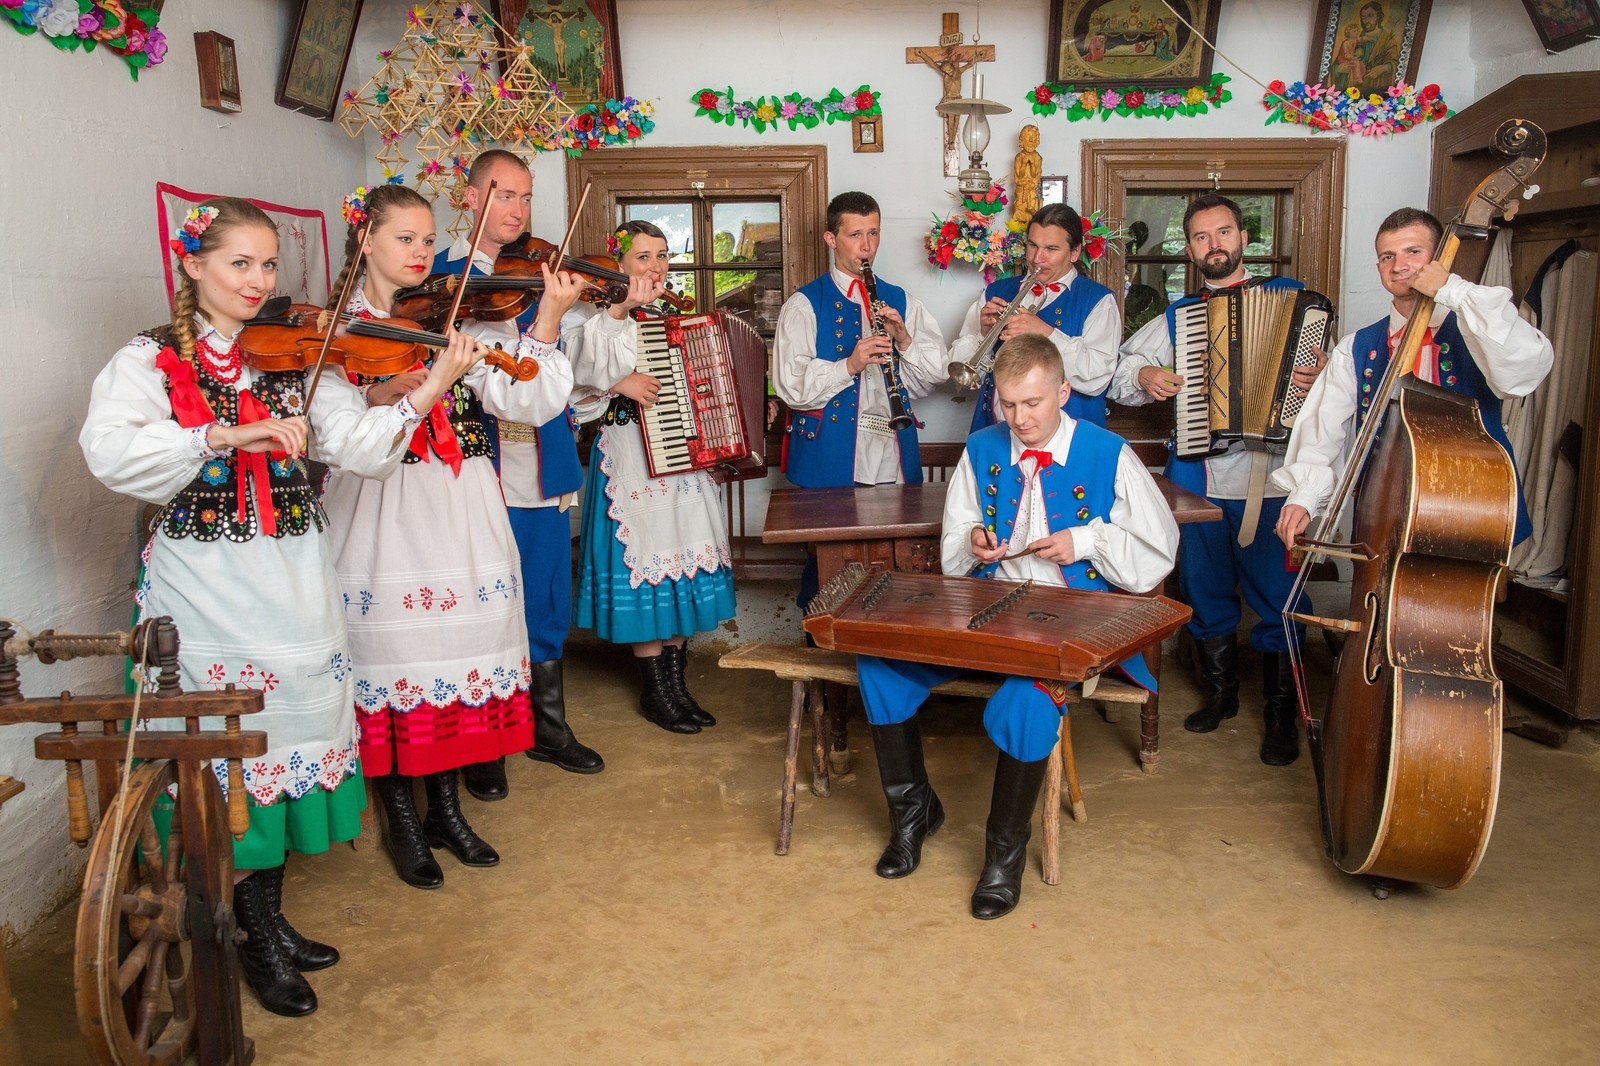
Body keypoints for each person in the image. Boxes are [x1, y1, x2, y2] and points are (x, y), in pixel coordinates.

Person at [80, 196, 471, 1016]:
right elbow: (110, 452)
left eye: (267, 264)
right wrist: (219, 437)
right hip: (208, 585)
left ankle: (267, 918)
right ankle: (250, 937)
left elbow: (359, 449)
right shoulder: (150, 360)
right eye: (239, 263)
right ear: (194, 265)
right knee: (228, 748)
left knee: (286, 737)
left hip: (294, 573)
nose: (258, 281)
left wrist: (430, 384)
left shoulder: (294, 358)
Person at [855, 335, 1177, 920]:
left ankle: (1003, 855)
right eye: (1008, 404)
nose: (1020, 418)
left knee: (1027, 702)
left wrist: (1085, 541)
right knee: (879, 664)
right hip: (987, 613)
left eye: (1032, 403)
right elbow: (958, 534)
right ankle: (914, 813)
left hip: (1069, 623)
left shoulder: (1108, 452)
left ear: (1063, 392)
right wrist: (975, 540)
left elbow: (1160, 549)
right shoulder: (983, 448)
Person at [320, 182, 586, 890]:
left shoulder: (456, 316)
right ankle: (402, 820)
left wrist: (547, 319)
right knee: (395, 659)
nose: (420, 252)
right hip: (385, 514)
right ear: (365, 240)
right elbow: (342, 442)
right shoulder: (335, 334)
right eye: (404, 238)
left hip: (462, 504)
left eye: (427, 238)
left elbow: (528, 395)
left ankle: (444, 810)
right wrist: (413, 386)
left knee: (452, 656)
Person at [1109, 193, 1326, 766]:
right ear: (1189, 248)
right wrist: (1146, 373)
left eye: (1223, 232)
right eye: (1201, 237)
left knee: (1278, 596)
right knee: (1204, 586)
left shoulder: (1295, 302)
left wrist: (1322, 375)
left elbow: (1336, 387)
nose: (1214, 245)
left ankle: (1280, 714)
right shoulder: (1179, 316)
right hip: (1198, 474)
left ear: (1243, 238)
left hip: (1274, 477)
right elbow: (1119, 372)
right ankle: (1222, 694)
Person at [434, 150, 603, 801]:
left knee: (545, 599)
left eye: (526, 197)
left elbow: (568, 379)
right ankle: (485, 742)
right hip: (477, 467)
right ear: (471, 197)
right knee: (482, 606)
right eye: (504, 194)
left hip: (543, 461)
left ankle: (547, 727)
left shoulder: (540, 275)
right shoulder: (438, 279)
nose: (518, 210)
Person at [1273, 207, 1553, 553]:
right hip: (1382, 512)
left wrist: (1452, 290)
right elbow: (1324, 428)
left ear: (1439, 258)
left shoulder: (1479, 329)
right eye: (1387, 256)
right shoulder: (1355, 348)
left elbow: (1526, 368)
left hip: (1475, 507)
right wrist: (1304, 496)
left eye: (1413, 252)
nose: (1398, 265)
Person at [569, 221, 736, 733]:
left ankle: (677, 684)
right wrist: (618, 380)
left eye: (662, 255)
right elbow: (572, 384)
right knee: (645, 567)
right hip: (628, 459)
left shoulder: (673, 318)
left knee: (685, 565)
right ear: (617, 264)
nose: (656, 266)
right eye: (643, 257)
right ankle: (655, 691)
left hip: (682, 461)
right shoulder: (591, 315)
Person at [773, 190, 948, 603]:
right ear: (830, 239)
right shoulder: (804, 304)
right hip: (831, 452)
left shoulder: (901, 300)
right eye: (855, 235)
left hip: (891, 448)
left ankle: (886, 634)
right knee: (828, 563)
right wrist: (848, 365)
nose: (867, 246)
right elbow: (790, 385)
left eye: (873, 233)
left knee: (894, 560)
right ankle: (820, 634)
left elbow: (933, 376)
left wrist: (903, 339)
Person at [947, 202, 1120, 435]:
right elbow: (962, 376)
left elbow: (1097, 378)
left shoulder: (1099, 301)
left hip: (1068, 440)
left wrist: (1043, 331)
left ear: (1075, 252)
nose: (1037, 258)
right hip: (995, 433)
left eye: (1051, 249)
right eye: (1032, 245)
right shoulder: (995, 292)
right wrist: (983, 334)